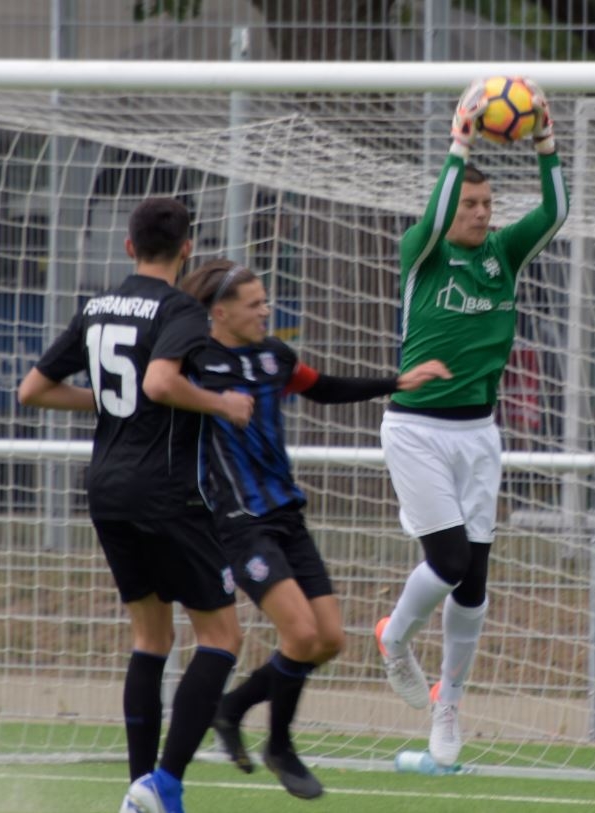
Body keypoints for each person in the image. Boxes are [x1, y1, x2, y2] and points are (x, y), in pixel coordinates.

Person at [178, 259, 450, 799]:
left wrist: (396, 380)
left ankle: (231, 708)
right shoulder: (194, 361)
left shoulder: (275, 357)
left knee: (328, 640)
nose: (265, 310)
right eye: (254, 304)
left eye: (265, 301)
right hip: (240, 524)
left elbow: (322, 386)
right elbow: (157, 389)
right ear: (220, 311)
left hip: (286, 516)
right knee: (300, 635)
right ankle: (279, 745)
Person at [17, 197, 254, 813]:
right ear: (186, 249)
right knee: (222, 637)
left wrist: (107, 404)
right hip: (166, 491)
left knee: (151, 638)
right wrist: (221, 404)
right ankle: (164, 784)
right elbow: (158, 383)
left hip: (106, 488)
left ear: (128, 247)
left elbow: (32, 391)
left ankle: (138, 791)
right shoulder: (179, 308)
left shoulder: (96, 307)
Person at [375, 77, 569, 767]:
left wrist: (546, 143)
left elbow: (556, 210)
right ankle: (395, 638)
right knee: (449, 560)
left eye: (489, 203)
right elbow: (431, 218)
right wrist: (458, 145)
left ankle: (447, 706)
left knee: (476, 580)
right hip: (417, 430)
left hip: (479, 435)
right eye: (472, 203)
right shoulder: (421, 253)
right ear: (447, 206)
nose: (484, 213)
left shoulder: (502, 255)